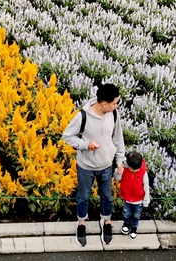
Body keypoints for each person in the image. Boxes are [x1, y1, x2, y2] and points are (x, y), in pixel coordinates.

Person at [62, 83, 125, 247]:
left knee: (107, 197)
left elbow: (118, 138)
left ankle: (106, 221)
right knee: (83, 197)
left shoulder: (114, 114)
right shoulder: (82, 116)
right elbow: (68, 136)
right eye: (114, 103)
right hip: (86, 167)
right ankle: (81, 224)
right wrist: (85, 144)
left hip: (106, 165)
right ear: (104, 103)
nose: (116, 105)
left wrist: (119, 161)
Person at [115, 150, 151, 239]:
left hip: (138, 200)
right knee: (126, 213)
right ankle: (126, 225)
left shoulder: (143, 172)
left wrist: (146, 200)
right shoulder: (125, 168)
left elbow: (146, 186)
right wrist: (118, 171)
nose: (135, 171)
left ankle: (134, 228)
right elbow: (117, 178)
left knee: (136, 215)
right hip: (126, 197)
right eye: (133, 169)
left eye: (137, 169)